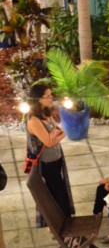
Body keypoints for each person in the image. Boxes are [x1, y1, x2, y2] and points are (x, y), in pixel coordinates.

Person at [26, 84, 74, 227]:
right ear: (38, 100)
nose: (51, 98)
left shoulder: (46, 113)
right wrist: (53, 135)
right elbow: (48, 141)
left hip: (57, 158)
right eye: (48, 96)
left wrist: (53, 136)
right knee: (58, 196)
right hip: (47, 164)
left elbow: (62, 133)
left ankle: (66, 226)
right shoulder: (33, 120)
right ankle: (65, 228)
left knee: (62, 193)